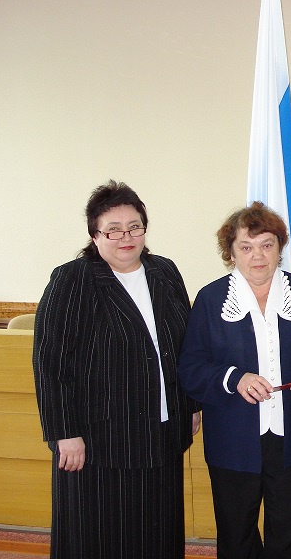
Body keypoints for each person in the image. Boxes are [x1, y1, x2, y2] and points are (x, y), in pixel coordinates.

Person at [33, 180, 201, 559]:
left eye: (134, 227)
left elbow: (185, 345)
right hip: (98, 441)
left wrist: (190, 404)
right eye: (113, 229)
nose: (126, 237)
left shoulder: (164, 271)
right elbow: (50, 362)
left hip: (162, 433)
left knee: (157, 534)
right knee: (100, 536)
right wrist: (64, 433)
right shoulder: (73, 279)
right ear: (95, 235)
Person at [178, 201, 291, 559]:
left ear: (279, 247)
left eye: (267, 245)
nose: (258, 256)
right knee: (236, 536)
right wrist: (234, 378)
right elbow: (191, 367)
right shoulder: (210, 299)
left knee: (288, 534)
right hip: (232, 438)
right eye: (246, 247)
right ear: (231, 252)